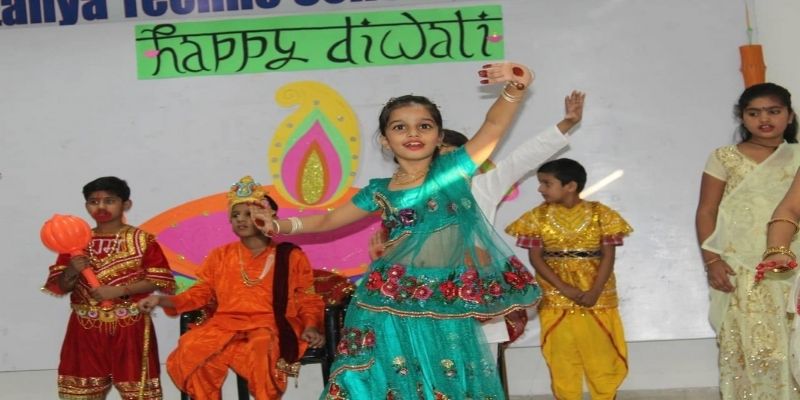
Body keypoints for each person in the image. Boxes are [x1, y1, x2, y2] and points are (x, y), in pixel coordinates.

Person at [252, 62, 540, 399]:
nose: (413, 134)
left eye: (424, 126)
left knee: (444, 383)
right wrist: (278, 225)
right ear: (385, 140)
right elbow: (328, 220)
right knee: (379, 382)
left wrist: (514, 89)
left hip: (443, 299)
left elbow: (493, 127)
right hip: (386, 301)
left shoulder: (453, 171)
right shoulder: (380, 191)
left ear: (439, 137)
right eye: (400, 127)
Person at [368, 91, 586, 345]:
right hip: (423, 299)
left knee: (477, 365)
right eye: (442, 160)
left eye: (456, 159)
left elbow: (521, 159)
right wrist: (386, 256)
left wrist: (566, 124)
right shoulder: (406, 195)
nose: (449, 167)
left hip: (476, 296)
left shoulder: (483, 186)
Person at [137, 176, 324, 400]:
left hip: (271, 325)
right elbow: (200, 293)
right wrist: (162, 300)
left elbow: (307, 298)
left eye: (249, 214)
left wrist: (311, 326)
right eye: (235, 215)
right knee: (192, 348)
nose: (241, 220)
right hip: (225, 325)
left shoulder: (290, 256)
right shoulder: (220, 255)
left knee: (262, 347)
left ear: (268, 218)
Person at [695, 82, 800, 399]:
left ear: (789, 115)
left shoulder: (798, 156)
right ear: (742, 118)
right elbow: (707, 210)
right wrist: (712, 260)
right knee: (752, 346)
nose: (764, 119)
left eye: (773, 111)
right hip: (740, 266)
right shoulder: (725, 157)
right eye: (754, 113)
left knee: (791, 344)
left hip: (791, 263)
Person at [505, 158, 632, 399]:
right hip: (555, 294)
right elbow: (536, 258)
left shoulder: (601, 214)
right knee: (560, 353)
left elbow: (608, 256)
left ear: (570, 186)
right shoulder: (536, 217)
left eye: (547, 183)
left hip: (597, 294)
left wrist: (595, 291)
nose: (540, 189)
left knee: (601, 351)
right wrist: (564, 288)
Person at [41, 176, 176, 399]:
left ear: (126, 204)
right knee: (81, 393)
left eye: (109, 201)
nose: (101, 207)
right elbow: (60, 287)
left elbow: (158, 280)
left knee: (139, 393)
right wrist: (72, 270)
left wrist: (120, 291)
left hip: (130, 326)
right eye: (94, 202)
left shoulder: (143, 240)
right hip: (85, 328)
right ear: (86, 206)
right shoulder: (74, 241)